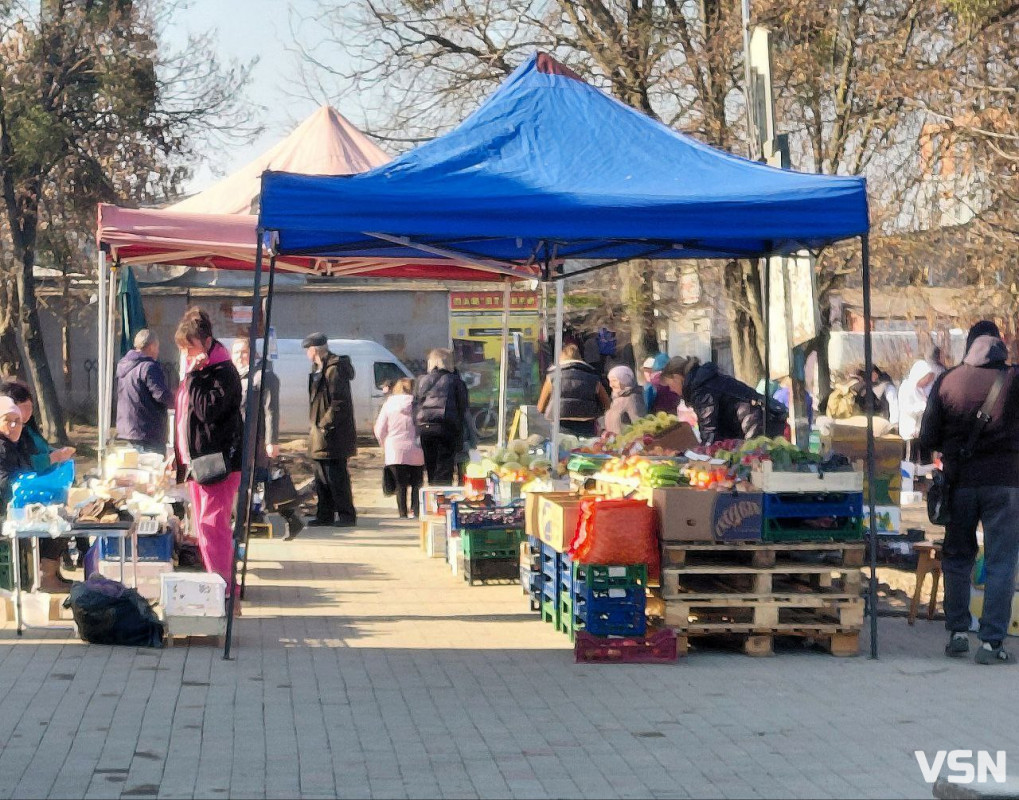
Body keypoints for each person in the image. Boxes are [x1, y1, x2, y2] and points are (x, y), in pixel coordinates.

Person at [919, 320, 1019, 665]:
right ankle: (992, 643)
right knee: (1001, 561)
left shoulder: (948, 379)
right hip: (1006, 484)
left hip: (959, 485)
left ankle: (958, 632)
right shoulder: (1014, 379)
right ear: (1000, 346)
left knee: (958, 557)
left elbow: (927, 437)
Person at [173, 308, 244, 607]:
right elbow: (183, 417)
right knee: (202, 527)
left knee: (213, 525)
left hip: (218, 463)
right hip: (196, 461)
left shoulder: (222, 372)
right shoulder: (201, 372)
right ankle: (218, 582)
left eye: (190, 347)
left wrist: (193, 376)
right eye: (183, 349)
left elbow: (206, 411)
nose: (187, 353)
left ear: (207, 342)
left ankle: (225, 588)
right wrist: (176, 454)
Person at [0, 380, 79, 567]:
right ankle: (46, 574)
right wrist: (34, 487)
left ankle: (50, 572)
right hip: (7, 510)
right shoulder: (4, 446)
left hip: (17, 504)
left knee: (61, 515)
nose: (14, 425)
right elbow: (6, 481)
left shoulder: (18, 440)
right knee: (54, 518)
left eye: (17, 421)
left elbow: (26, 468)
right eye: (7, 420)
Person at [231, 339, 304, 541]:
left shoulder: (265, 376)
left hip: (258, 440)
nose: (239, 356)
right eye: (236, 352)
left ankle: (246, 527)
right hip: (241, 439)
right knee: (254, 482)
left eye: (243, 352)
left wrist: (272, 441)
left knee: (262, 481)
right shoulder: (238, 376)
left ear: (254, 353)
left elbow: (271, 410)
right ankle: (283, 517)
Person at [659, 356, 786, 445]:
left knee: (754, 467)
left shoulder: (701, 388)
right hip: (757, 418)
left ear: (676, 378)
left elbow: (709, 429)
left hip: (755, 422)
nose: (671, 390)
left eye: (670, 385)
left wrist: (703, 454)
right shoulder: (702, 381)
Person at [303, 332, 358, 527]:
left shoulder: (334, 369)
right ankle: (324, 514)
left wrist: (325, 425)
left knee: (336, 476)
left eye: (307, 350)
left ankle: (346, 515)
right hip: (319, 432)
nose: (306, 354)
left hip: (333, 434)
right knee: (321, 476)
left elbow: (338, 402)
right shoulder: (318, 369)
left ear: (314, 350)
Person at [413, 348, 470, 486]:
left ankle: (433, 498)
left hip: (425, 429)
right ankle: (442, 501)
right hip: (447, 428)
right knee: (445, 468)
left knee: (431, 467)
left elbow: (415, 405)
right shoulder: (456, 381)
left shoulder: (421, 381)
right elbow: (463, 407)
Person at [115, 329, 173, 454]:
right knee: (151, 470)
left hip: (127, 430)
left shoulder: (123, 365)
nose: (158, 351)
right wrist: (179, 400)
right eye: (157, 347)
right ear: (152, 346)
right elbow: (161, 395)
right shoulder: (149, 367)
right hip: (147, 431)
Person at [374, 378, 425, 518]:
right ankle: (416, 511)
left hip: (395, 450)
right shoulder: (419, 405)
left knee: (400, 485)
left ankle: (402, 513)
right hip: (417, 449)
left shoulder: (388, 404)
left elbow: (379, 429)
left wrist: (385, 444)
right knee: (416, 484)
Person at [536, 343, 610, 438]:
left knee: (563, 450)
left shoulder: (552, 377)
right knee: (585, 451)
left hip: (561, 427)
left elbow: (540, 407)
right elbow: (607, 404)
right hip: (588, 426)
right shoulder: (593, 378)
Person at [898, 358, 943, 464]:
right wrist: (924, 407)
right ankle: (908, 478)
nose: (928, 382)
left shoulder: (923, 390)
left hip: (921, 431)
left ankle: (922, 477)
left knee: (925, 457)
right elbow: (906, 408)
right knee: (910, 458)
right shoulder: (907, 387)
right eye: (926, 378)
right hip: (910, 431)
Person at [603, 365, 646, 435]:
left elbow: (640, 424)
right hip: (616, 443)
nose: (611, 385)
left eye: (614, 380)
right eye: (610, 381)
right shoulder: (616, 399)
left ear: (625, 380)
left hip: (628, 443)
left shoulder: (632, 399)